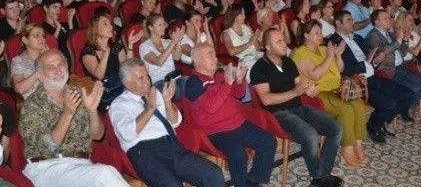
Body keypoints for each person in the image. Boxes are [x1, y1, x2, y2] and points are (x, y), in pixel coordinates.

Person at [19, 50, 128, 187]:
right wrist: (68, 113)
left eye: (60, 64)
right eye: (50, 67)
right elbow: (48, 147)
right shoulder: (33, 104)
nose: (58, 70)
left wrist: (92, 111)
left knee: (103, 174)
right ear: (40, 75)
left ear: (67, 66)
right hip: (48, 167)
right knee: (104, 174)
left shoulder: (78, 93)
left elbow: (98, 135)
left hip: (81, 165)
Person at [108, 59, 224, 187]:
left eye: (147, 75)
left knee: (213, 174)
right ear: (127, 83)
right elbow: (127, 133)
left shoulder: (155, 94)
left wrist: (168, 102)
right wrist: (150, 108)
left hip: (171, 145)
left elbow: (176, 122)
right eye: (141, 78)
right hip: (145, 152)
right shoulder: (119, 104)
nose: (147, 80)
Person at [251, 28, 343, 187]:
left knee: (336, 127)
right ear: (268, 47)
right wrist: (295, 92)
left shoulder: (288, 62)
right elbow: (266, 100)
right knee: (310, 134)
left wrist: (309, 88)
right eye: (279, 41)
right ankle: (320, 178)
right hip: (278, 114)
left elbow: (299, 83)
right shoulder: (259, 68)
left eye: (283, 39)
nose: (284, 44)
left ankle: (321, 176)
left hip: (298, 107)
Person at [186, 45, 276, 187]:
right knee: (239, 155)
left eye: (214, 54)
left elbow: (238, 94)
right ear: (197, 60)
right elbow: (210, 107)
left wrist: (239, 81)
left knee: (268, 141)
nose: (215, 58)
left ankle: (253, 181)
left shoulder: (219, 75)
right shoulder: (193, 83)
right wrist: (227, 83)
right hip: (217, 132)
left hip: (238, 123)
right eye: (210, 55)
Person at [292, 20, 366, 166]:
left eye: (321, 32)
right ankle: (346, 148)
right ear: (306, 35)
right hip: (317, 94)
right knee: (346, 109)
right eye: (317, 33)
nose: (321, 35)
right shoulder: (300, 53)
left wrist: (338, 56)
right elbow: (315, 75)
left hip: (337, 89)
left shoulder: (324, 49)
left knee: (358, 104)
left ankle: (358, 143)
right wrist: (329, 57)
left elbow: (340, 69)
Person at [362, 10, 421, 115]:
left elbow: (402, 53)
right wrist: (398, 41)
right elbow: (381, 52)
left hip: (402, 67)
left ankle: (404, 106)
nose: (389, 20)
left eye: (388, 18)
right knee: (415, 88)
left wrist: (405, 40)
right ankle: (402, 108)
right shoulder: (372, 36)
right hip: (390, 71)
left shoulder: (390, 34)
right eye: (385, 18)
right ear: (376, 22)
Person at [139, 14, 187, 99]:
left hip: (174, 78)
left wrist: (178, 41)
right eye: (159, 25)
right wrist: (173, 42)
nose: (164, 27)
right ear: (151, 27)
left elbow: (177, 57)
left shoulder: (167, 42)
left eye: (164, 24)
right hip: (159, 82)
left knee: (195, 82)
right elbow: (159, 62)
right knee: (182, 90)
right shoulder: (145, 46)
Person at [11, 24, 48, 99]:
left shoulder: (48, 56)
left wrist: (48, 58)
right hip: (34, 101)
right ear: (25, 40)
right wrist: (37, 74)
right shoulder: (18, 61)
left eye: (43, 36)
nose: (42, 38)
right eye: (37, 35)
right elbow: (20, 89)